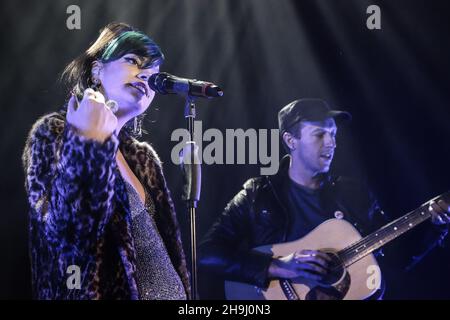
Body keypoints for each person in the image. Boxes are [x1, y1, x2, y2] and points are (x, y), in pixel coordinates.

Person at [198, 98, 449, 300]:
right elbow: (207, 253)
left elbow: (397, 258)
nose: (331, 143)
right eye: (319, 134)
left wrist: (433, 228)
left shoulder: (354, 193)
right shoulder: (257, 193)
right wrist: (277, 266)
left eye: (333, 134)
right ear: (290, 140)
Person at [22, 22, 190, 300]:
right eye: (134, 62)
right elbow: (67, 233)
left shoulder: (143, 158)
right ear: (98, 69)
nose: (145, 78)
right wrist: (88, 146)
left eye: (153, 74)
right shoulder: (55, 133)